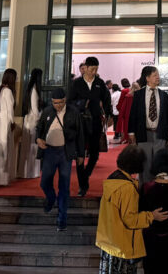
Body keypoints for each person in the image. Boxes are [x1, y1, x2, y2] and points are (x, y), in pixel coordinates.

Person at [95, 145, 168, 274]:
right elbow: (130, 219)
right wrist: (151, 216)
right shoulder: (127, 188)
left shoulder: (113, 179)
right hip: (122, 247)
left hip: (109, 242)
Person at [36, 87, 85, 231]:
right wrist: (38, 139)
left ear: (65, 100)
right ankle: (51, 198)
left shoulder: (73, 112)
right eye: (55, 103)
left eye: (60, 103)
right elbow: (39, 128)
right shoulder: (47, 111)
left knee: (64, 186)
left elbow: (80, 134)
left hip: (65, 152)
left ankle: (62, 219)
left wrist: (81, 154)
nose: (57, 105)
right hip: (49, 151)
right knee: (44, 182)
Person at [69, 55, 113, 196]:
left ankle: (86, 174)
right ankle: (83, 185)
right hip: (81, 122)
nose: (94, 72)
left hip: (95, 121)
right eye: (92, 69)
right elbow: (69, 101)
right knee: (80, 153)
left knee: (94, 153)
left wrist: (109, 115)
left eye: (96, 69)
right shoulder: (76, 83)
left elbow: (107, 100)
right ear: (85, 68)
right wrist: (81, 105)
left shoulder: (99, 83)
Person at [127, 66, 168, 182]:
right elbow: (133, 115)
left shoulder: (164, 95)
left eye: (158, 75)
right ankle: (145, 189)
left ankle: (158, 188)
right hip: (144, 134)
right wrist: (131, 133)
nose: (158, 77)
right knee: (145, 164)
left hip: (160, 134)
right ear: (147, 78)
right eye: (155, 75)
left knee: (160, 164)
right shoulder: (139, 94)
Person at [0, 67, 19, 186]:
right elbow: (10, 110)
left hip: (1, 121)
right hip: (5, 122)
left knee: (1, 149)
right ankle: (2, 178)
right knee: (4, 149)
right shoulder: (8, 91)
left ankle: (0, 178)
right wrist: (12, 122)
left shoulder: (1, 89)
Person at [19, 68, 43, 179]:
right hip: (33, 121)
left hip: (29, 120)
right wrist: (40, 117)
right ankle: (30, 171)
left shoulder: (30, 89)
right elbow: (34, 108)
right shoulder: (34, 90)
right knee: (32, 147)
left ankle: (28, 171)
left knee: (29, 147)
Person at [115, 80, 135, 144]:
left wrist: (118, 108)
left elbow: (121, 101)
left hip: (125, 109)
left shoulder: (124, 91)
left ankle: (124, 139)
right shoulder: (131, 90)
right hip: (132, 109)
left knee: (123, 125)